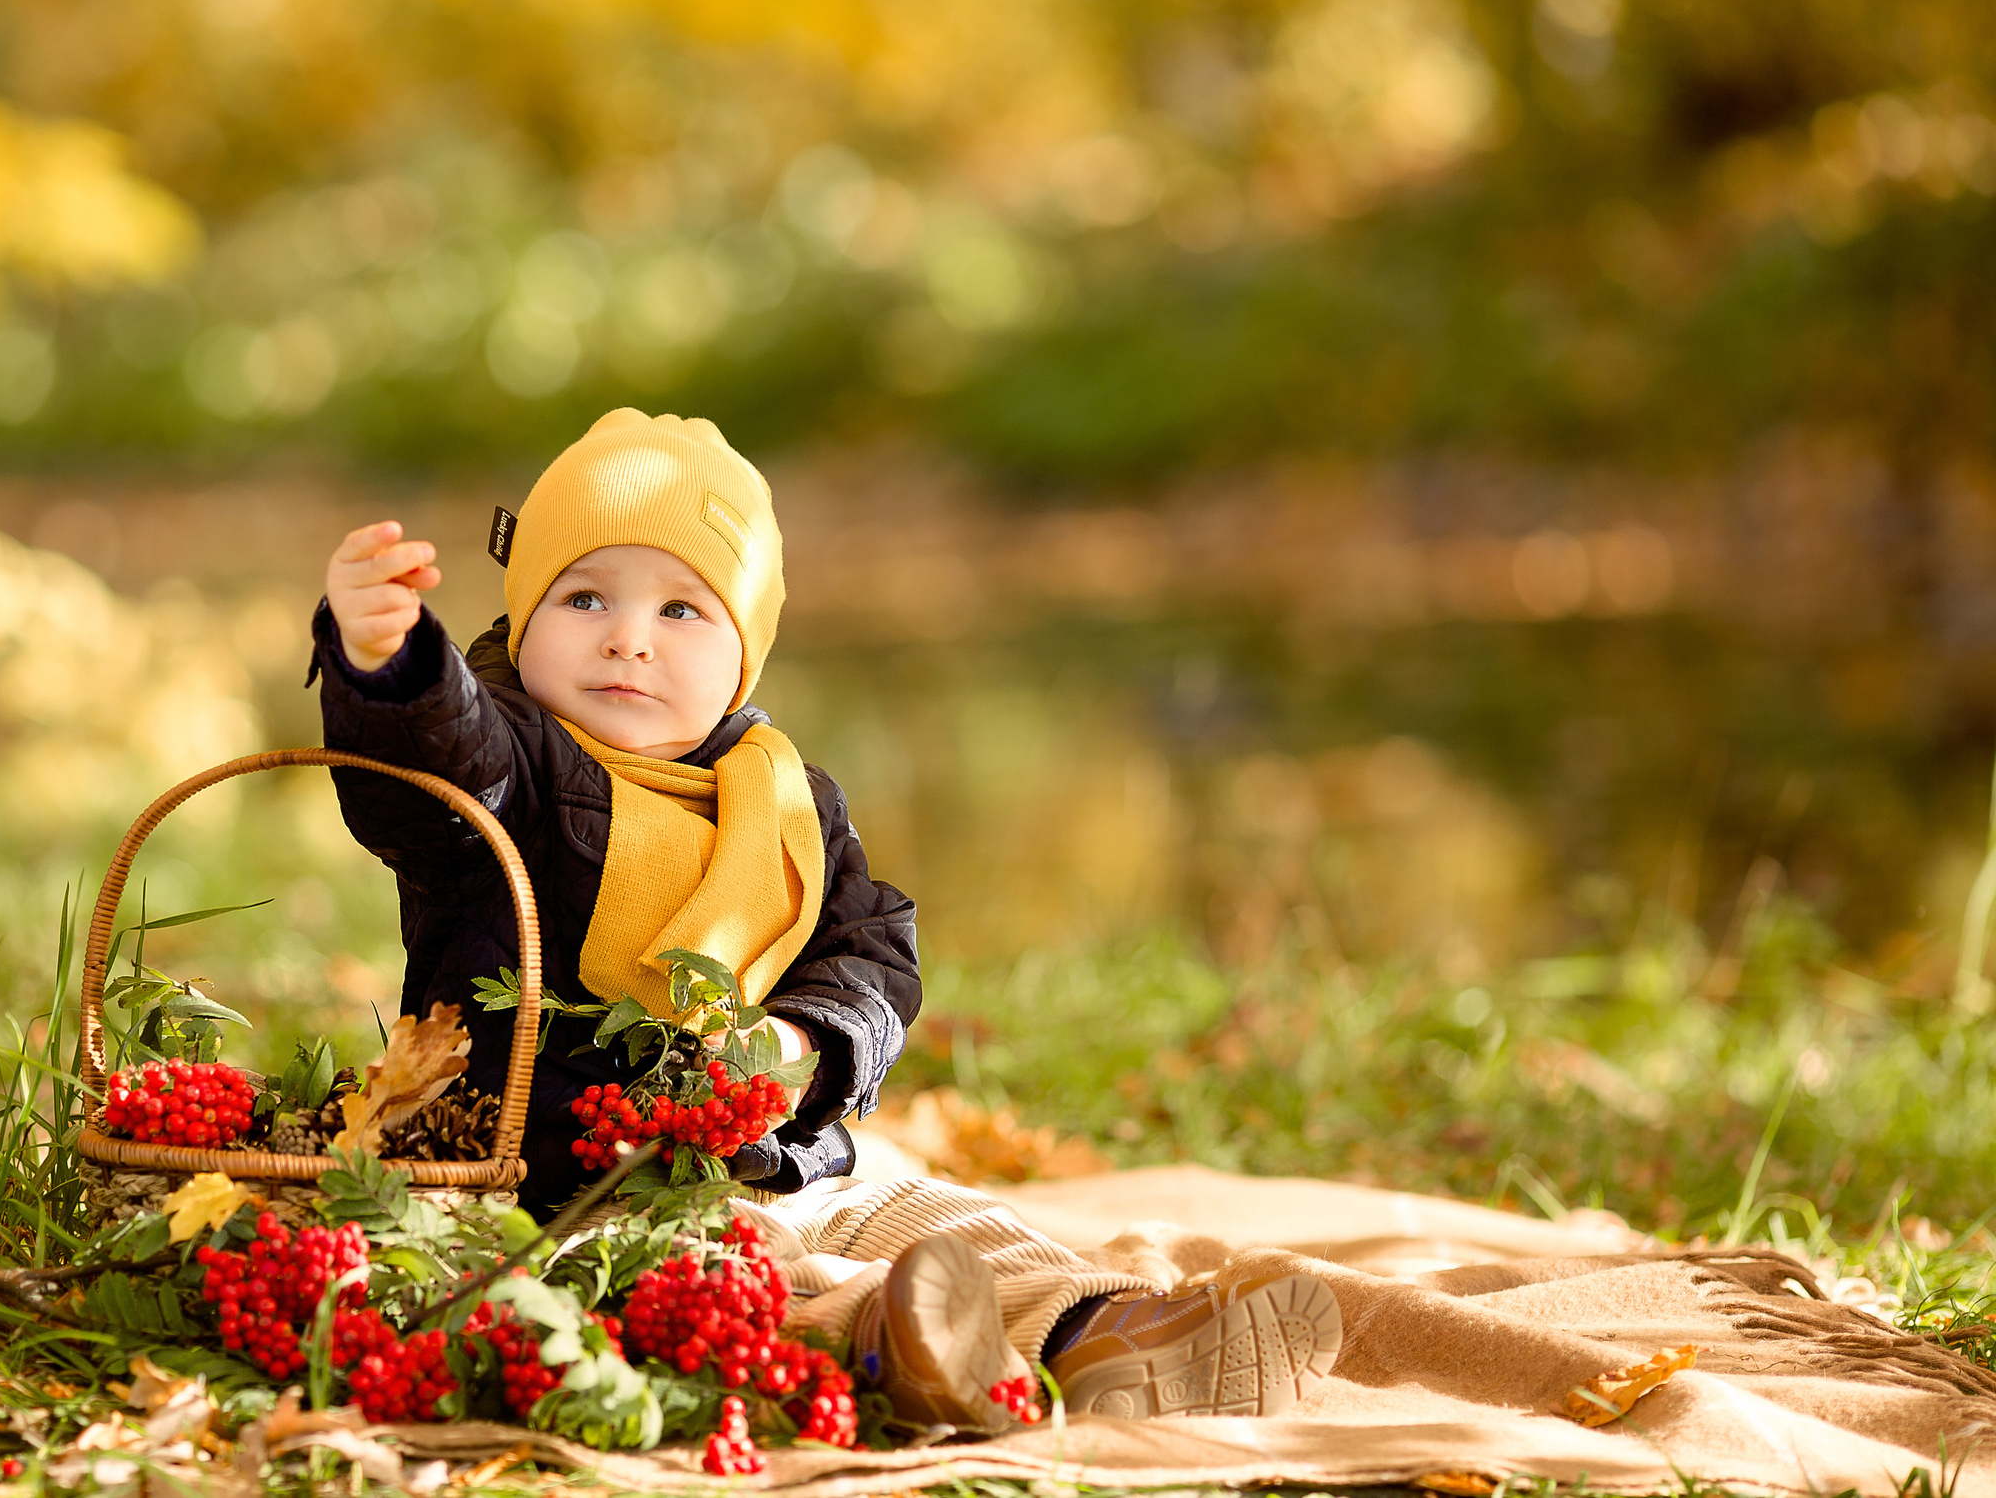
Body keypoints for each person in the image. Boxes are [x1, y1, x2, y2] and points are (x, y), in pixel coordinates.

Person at [313, 408, 1340, 1429]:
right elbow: (426, 771)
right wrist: (388, 666)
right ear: (524, 624)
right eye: (584, 598)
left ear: (743, 656)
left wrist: (803, 1042)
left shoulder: (782, 799)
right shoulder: (509, 766)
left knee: (928, 1210)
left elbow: (871, 948)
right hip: (573, 1178)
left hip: (774, 1149)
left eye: (682, 611)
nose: (628, 637)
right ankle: (902, 1348)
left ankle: (1103, 1330)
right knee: (716, 1281)